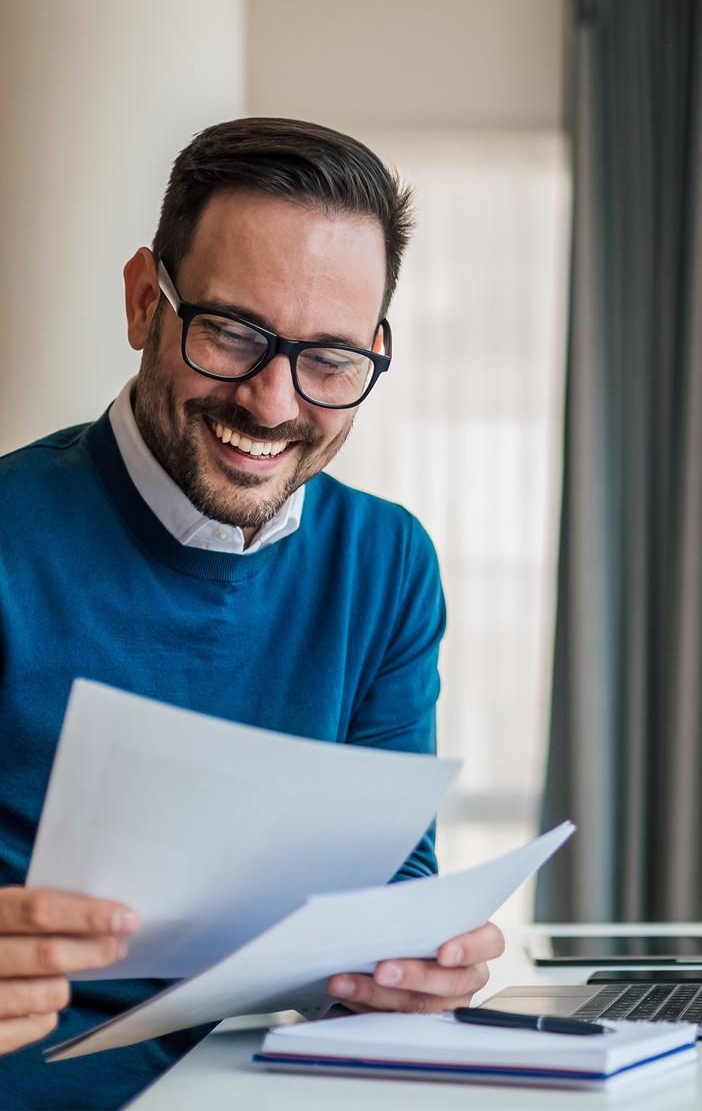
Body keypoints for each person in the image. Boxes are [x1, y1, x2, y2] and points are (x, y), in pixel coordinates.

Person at [0, 119, 504, 1110]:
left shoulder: (389, 566)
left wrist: (416, 968)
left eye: (328, 358)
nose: (272, 403)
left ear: (377, 349)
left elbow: (389, 891)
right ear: (147, 299)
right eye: (231, 332)